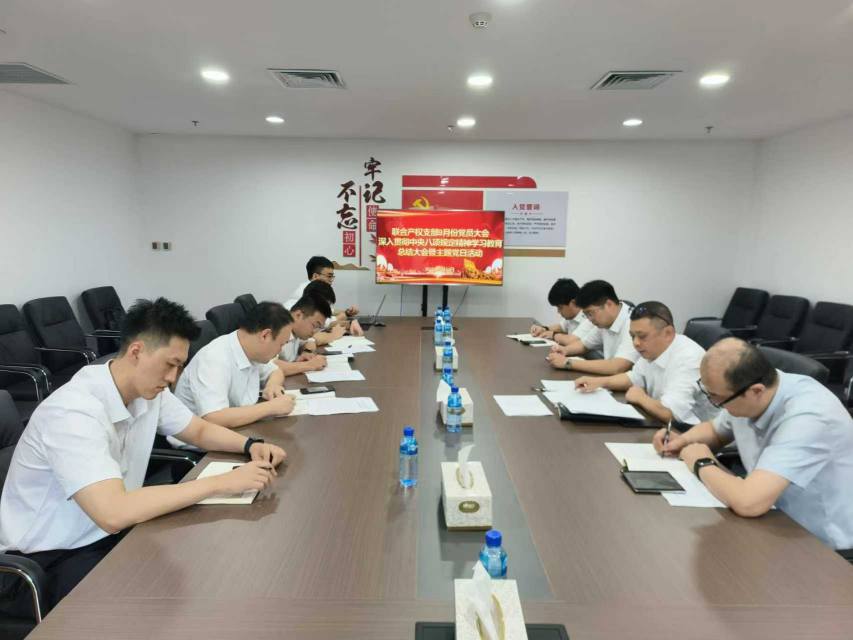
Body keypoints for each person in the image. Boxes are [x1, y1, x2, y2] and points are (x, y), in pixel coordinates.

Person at [0, 298, 286, 615]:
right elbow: (113, 512)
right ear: (137, 352)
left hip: (108, 534)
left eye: (180, 366)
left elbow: (198, 431)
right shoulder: (73, 412)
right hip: (48, 560)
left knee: (207, 569)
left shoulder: (146, 391)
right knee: (164, 606)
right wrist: (220, 483)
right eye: (170, 364)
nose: (174, 378)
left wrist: (250, 445)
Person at [654, 338, 853, 552]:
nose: (715, 403)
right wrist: (682, 441)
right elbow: (716, 431)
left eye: (717, 398)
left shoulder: (809, 416)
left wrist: (701, 461)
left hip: (821, 545)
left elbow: (749, 502)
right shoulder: (751, 389)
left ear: (756, 391)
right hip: (773, 518)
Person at [574, 301, 717, 425]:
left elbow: (671, 413)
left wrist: (641, 398)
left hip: (696, 434)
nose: (636, 343)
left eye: (642, 336)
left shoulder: (688, 358)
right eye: (632, 336)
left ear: (668, 333)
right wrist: (599, 382)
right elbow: (633, 378)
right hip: (663, 425)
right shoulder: (652, 349)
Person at [174, 301, 295, 429]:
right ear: (265, 335)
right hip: (201, 438)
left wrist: (273, 386)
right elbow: (214, 418)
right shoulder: (215, 358)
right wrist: (271, 407)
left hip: (236, 428)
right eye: (281, 344)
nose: (280, 351)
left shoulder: (250, 348)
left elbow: (275, 371)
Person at [546, 279, 639, 375]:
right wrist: (564, 350)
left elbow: (617, 367)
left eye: (590, 313)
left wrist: (568, 363)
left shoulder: (633, 323)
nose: (589, 319)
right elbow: (584, 345)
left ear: (609, 304)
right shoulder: (605, 322)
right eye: (586, 315)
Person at [285, 256, 358, 320]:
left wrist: (347, 312)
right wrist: (346, 315)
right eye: (329, 276)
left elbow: (328, 311)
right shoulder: (307, 293)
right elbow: (323, 323)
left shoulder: (314, 290)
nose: (331, 280)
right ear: (315, 276)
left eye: (332, 276)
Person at [276, 293, 331, 376]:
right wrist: (310, 365)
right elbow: (269, 367)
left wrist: (306, 352)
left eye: (319, 328)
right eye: (315, 325)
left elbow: (309, 342)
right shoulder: (277, 328)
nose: (315, 332)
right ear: (298, 315)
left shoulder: (297, 331)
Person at [530, 278, 596, 347]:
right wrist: (544, 329)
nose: (558, 311)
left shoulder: (589, 318)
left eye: (560, 307)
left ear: (573, 302)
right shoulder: (571, 317)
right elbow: (561, 327)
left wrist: (553, 335)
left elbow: (571, 341)